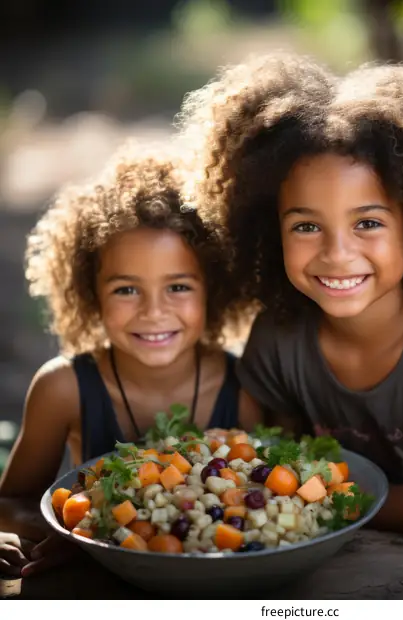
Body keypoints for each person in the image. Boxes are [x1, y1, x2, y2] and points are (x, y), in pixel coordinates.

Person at [178, 52, 403, 544]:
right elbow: (270, 472)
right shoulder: (279, 338)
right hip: (342, 549)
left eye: (367, 223)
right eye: (306, 226)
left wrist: (335, 498)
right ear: (271, 234)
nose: (337, 253)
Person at [0, 143, 262, 576]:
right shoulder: (63, 387)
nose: (153, 311)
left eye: (178, 287)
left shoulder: (245, 387)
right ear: (90, 292)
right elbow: (11, 501)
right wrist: (76, 533)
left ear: (213, 289)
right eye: (126, 289)